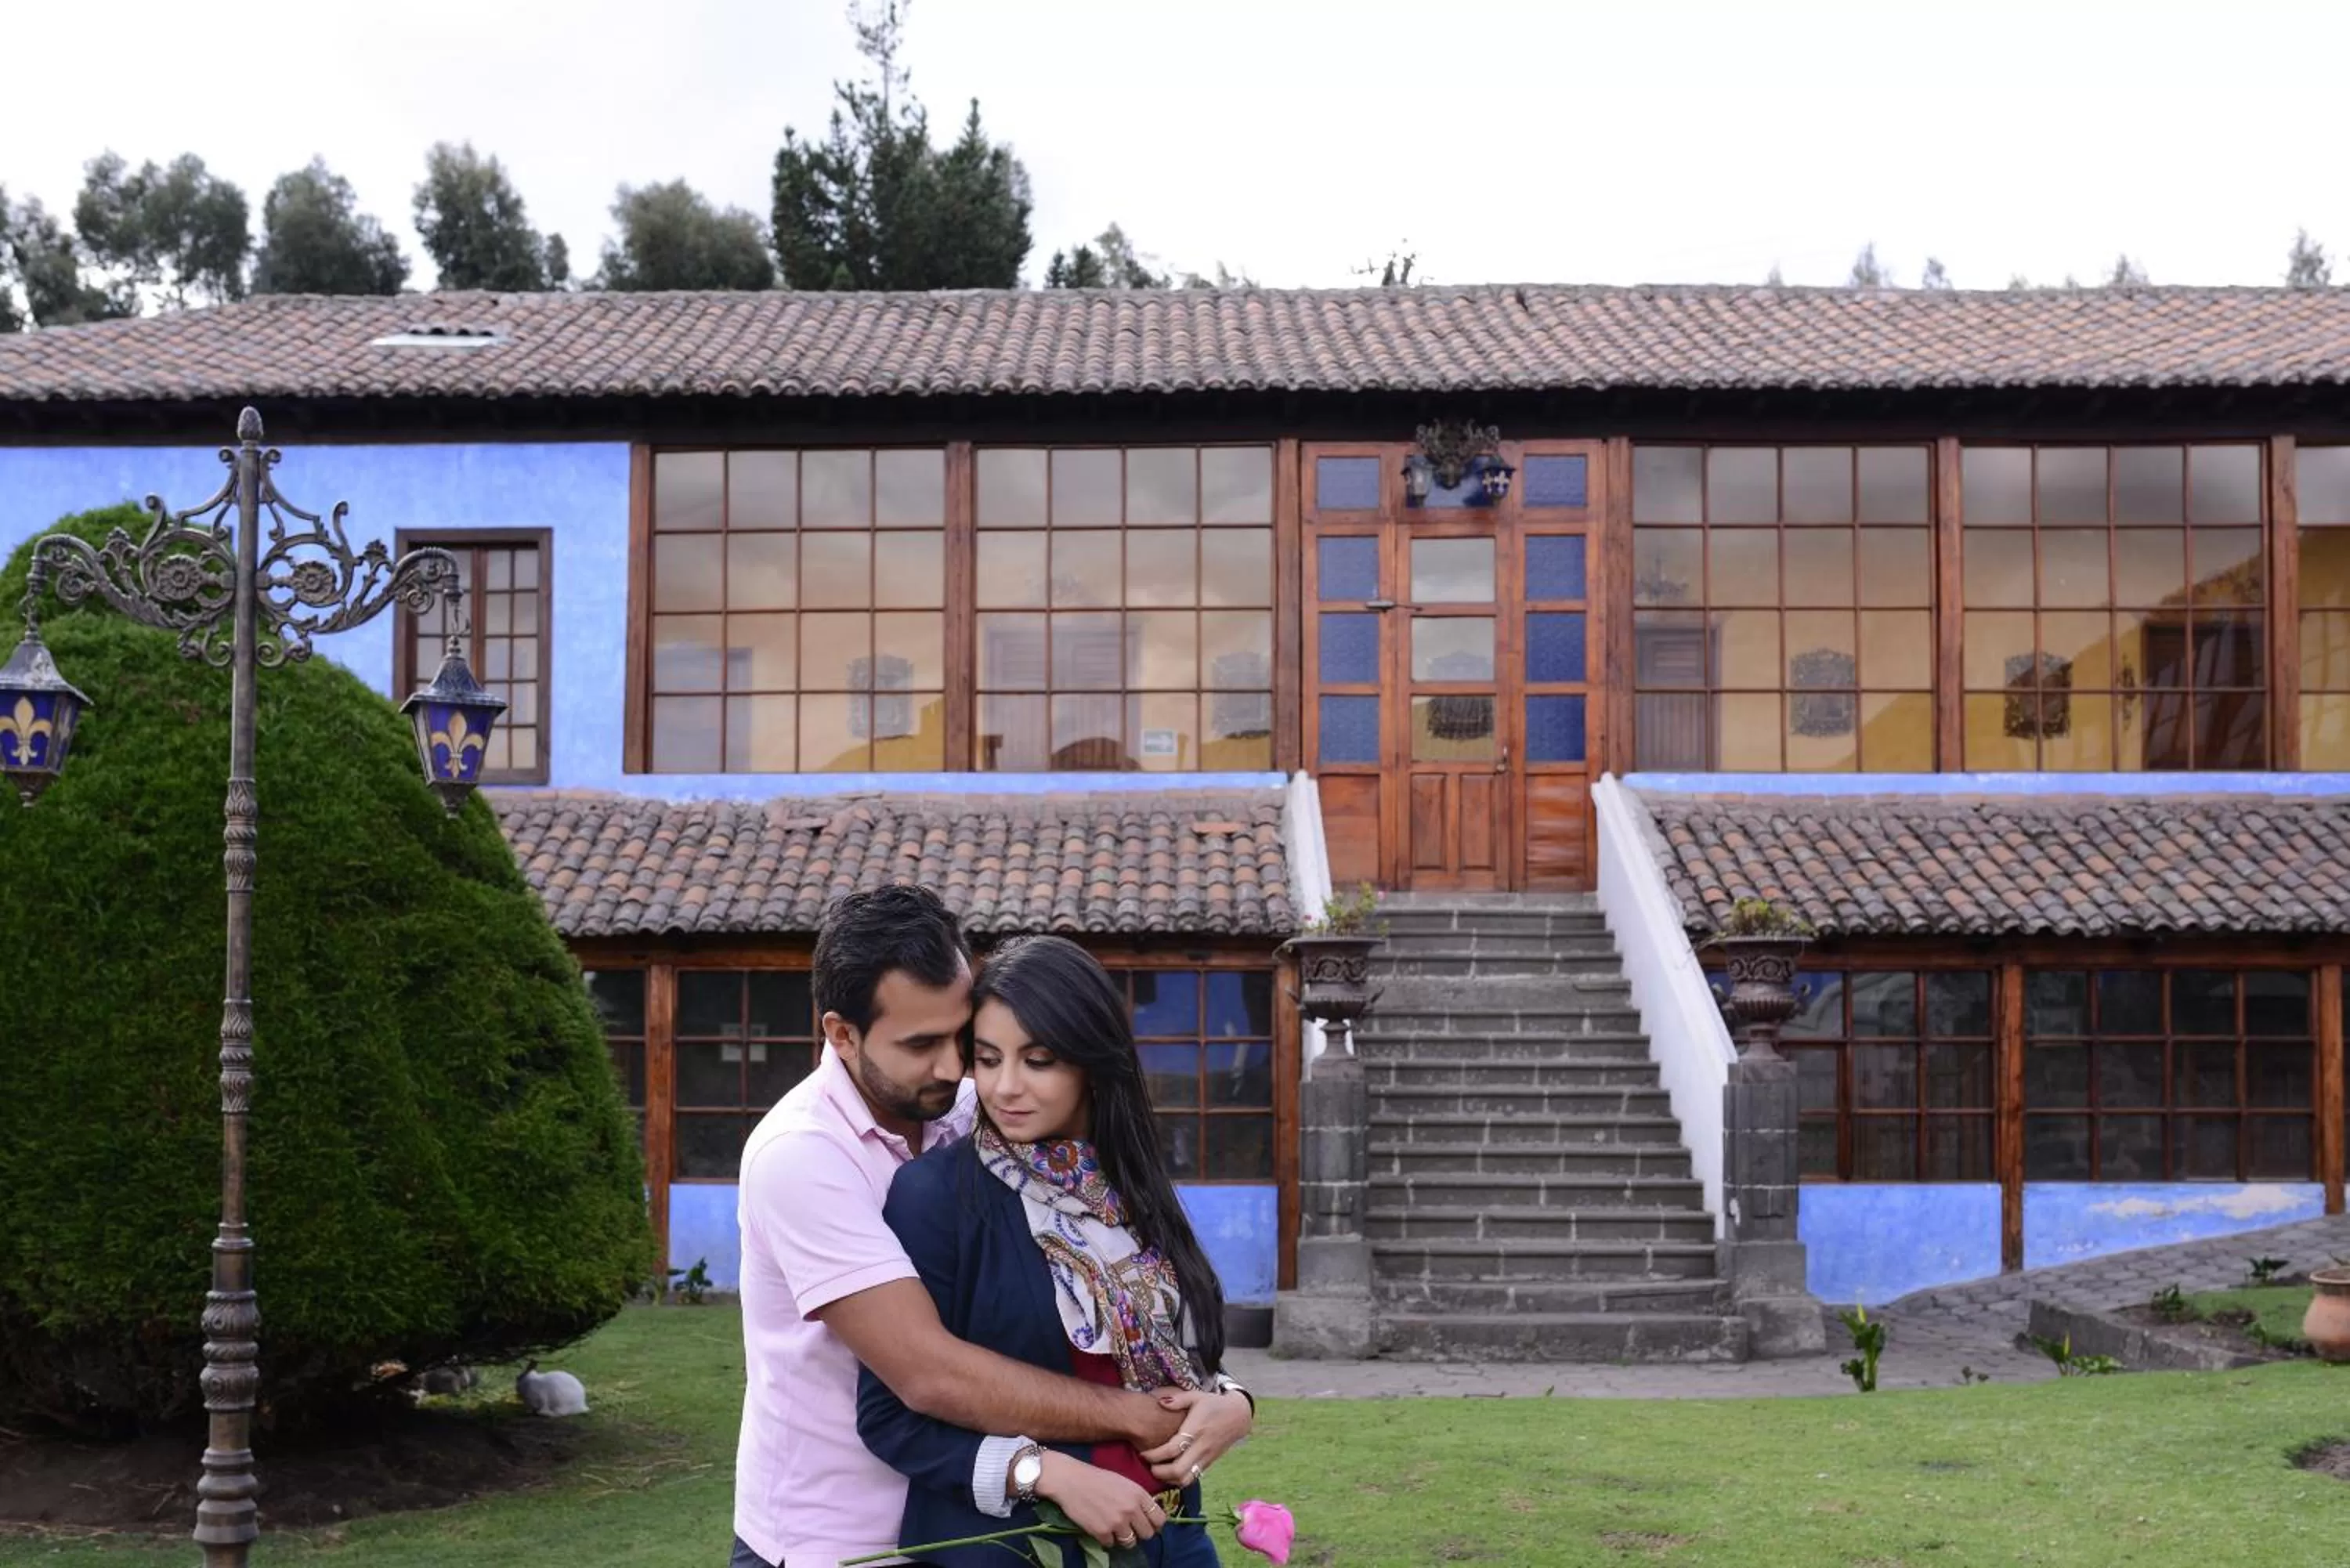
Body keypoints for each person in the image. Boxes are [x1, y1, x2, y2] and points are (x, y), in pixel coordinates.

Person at [732, 887, 1251, 1568]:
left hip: (1011, 1525)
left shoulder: (984, 1108)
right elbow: (928, 1375)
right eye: (923, 1044)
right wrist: (1130, 1417)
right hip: (841, 1536)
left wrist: (1229, 1398)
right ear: (842, 1034)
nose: (960, 1071)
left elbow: (1133, 1308)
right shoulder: (803, 1156)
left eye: (963, 1038)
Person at [858, 935, 1256, 1568]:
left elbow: (1172, 1355)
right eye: (987, 1059)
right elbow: (890, 1415)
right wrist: (1042, 1474)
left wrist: (1232, 1402)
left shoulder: (1131, 1187)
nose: (1005, 1087)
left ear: (1091, 1064)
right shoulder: (937, 1197)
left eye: (1038, 1060)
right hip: (1017, 1548)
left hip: (1174, 1538)